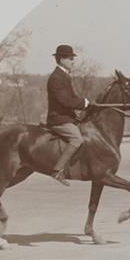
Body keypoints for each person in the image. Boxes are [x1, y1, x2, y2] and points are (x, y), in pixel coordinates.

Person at [46, 45, 90, 186]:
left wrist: (87, 104)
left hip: (67, 117)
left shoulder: (64, 76)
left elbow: (72, 98)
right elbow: (64, 101)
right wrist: (83, 103)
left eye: (72, 58)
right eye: (70, 58)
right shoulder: (56, 78)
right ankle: (57, 171)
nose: (73, 61)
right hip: (58, 119)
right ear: (62, 59)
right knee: (77, 139)